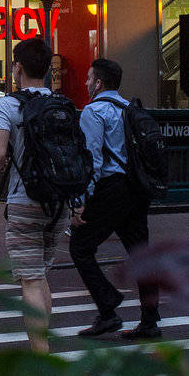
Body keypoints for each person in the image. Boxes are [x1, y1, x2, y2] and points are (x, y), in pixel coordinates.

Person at [68, 59, 160, 340]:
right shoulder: (129, 108)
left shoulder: (93, 112)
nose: (85, 83)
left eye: (88, 78)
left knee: (80, 247)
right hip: (136, 187)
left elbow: (92, 161)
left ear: (99, 83)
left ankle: (107, 308)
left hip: (111, 187)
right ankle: (149, 321)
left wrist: (80, 200)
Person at [0, 38, 64, 354]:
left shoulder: (8, 105)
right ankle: (44, 346)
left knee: (30, 281)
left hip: (24, 201)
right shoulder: (63, 104)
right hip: (58, 202)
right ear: (47, 69)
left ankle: (41, 355)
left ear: (17, 67)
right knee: (41, 276)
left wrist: (2, 159)